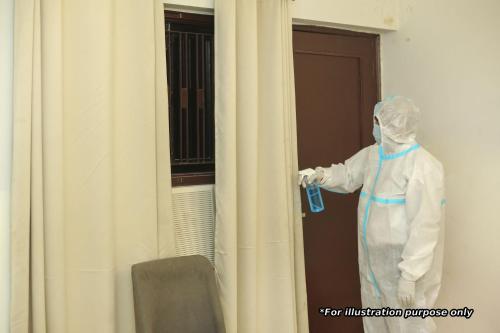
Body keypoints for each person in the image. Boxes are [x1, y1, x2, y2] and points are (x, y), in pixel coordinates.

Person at [298, 96, 445, 332]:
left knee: (409, 326)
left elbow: (425, 226)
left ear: (391, 124)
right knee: (376, 323)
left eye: (377, 121)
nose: (374, 126)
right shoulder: (374, 154)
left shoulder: (423, 165)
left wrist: (410, 275)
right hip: (372, 264)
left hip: (401, 269)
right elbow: (347, 175)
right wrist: (320, 175)